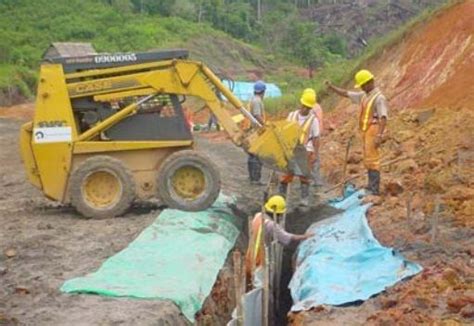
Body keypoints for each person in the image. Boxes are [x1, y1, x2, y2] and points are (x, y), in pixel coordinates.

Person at [326, 69, 388, 195]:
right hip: (366, 130)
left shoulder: (379, 98)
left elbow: (383, 117)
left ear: (369, 83)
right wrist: (332, 87)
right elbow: (346, 93)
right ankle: (370, 186)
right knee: (368, 159)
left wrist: (380, 135)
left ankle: (374, 189)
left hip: (374, 129)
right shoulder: (364, 96)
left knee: (373, 159)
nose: (362, 88)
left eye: (363, 85)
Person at [245, 195, 313, 286]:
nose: (281, 216)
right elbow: (287, 238)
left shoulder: (258, 216)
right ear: (276, 213)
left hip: (250, 255)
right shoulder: (270, 225)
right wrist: (305, 236)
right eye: (280, 213)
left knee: (250, 282)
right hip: (259, 261)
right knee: (259, 286)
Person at [279, 89, 320, 206]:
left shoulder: (313, 120)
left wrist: (316, 154)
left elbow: (316, 138)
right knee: (286, 174)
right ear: (300, 104)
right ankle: (282, 198)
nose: (305, 109)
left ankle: (304, 199)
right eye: (304, 106)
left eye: (308, 107)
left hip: (306, 150)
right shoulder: (291, 116)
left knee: (304, 175)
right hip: (290, 150)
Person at [302, 88, 325, 187]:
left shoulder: (313, 108)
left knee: (314, 158)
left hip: (312, 137)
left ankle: (314, 180)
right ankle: (313, 179)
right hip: (312, 136)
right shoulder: (317, 107)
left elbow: (317, 121)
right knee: (313, 158)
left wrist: (317, 135)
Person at [247, 80, 266, 185]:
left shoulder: (253, 99)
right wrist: (265, 126)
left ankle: (252, 177)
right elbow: (257, 115)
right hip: (257, 130)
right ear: (263, 91)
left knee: (251, 155)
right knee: (256, 155)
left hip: (252, 129)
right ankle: (255, 179)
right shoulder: (257, 101)